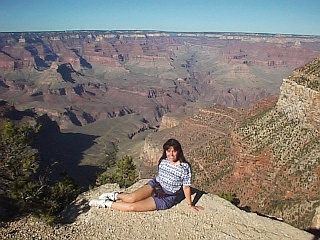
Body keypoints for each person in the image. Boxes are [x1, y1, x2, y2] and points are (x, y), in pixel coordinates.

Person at [89, 138, 203, 212]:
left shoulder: (185, 167)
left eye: (174, 151)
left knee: (132, 207)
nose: (171, 154)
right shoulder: (163, 161)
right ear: (165, 151)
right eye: (168, 151)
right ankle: (115, 195)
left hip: (167, 197)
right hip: (156, 185)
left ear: (179, 151)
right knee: (131, 198)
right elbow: (160, 176)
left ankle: (104, 203)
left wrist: (190, 204)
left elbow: (186, 187)